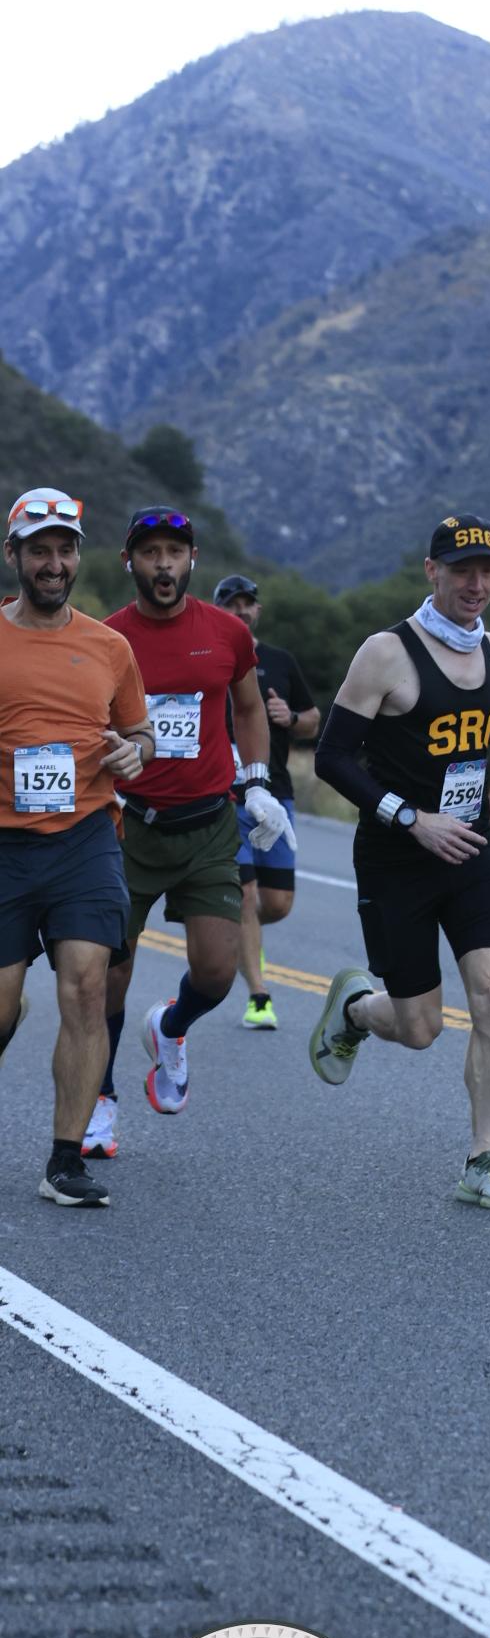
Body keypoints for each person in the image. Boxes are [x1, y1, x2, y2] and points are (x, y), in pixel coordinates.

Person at [308, 512, 490, 1210]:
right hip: (396, 858)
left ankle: (481, 1160)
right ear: (432, 571)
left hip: (470, 850)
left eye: (487, 570)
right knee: (420, 1028)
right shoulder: (386, 653)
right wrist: (411, 818)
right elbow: (332, 758)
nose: (477, 583)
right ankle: (357, 1010)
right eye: (462, 570)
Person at [90, 509, 290, 1154]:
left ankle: (171, 1028)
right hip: (129, 824)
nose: (163, 564)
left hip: (208, 823)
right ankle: (100, 1099)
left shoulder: (228, 632)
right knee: (107, 973)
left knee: (216, 973)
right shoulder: (107, 638)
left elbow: (249, 707)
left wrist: (256, 783)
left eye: (174, 551)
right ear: (129, 562)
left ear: (192, 559)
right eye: (150, 552)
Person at [0, 490, 153, 1205]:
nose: (54, 563)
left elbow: (141, 733)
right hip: (4, 843)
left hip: (86, 837)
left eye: (64, 550)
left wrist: (134, 752)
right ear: (15, 557)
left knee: (89, 986)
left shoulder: (109, 647)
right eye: (40, 551)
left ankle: (65, 1161)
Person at [213, 572, 321, 1030]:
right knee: (245, 894)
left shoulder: (279, 661)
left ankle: (236, 933)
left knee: (276, 903)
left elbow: (313, 719)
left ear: (257, 610)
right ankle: (259, 997)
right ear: (218, 609)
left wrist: (290, 716)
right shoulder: (207, 657)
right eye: (231, 604)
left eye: (247, 604)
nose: (240, 611)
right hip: (225, 797)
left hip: (275, 795)